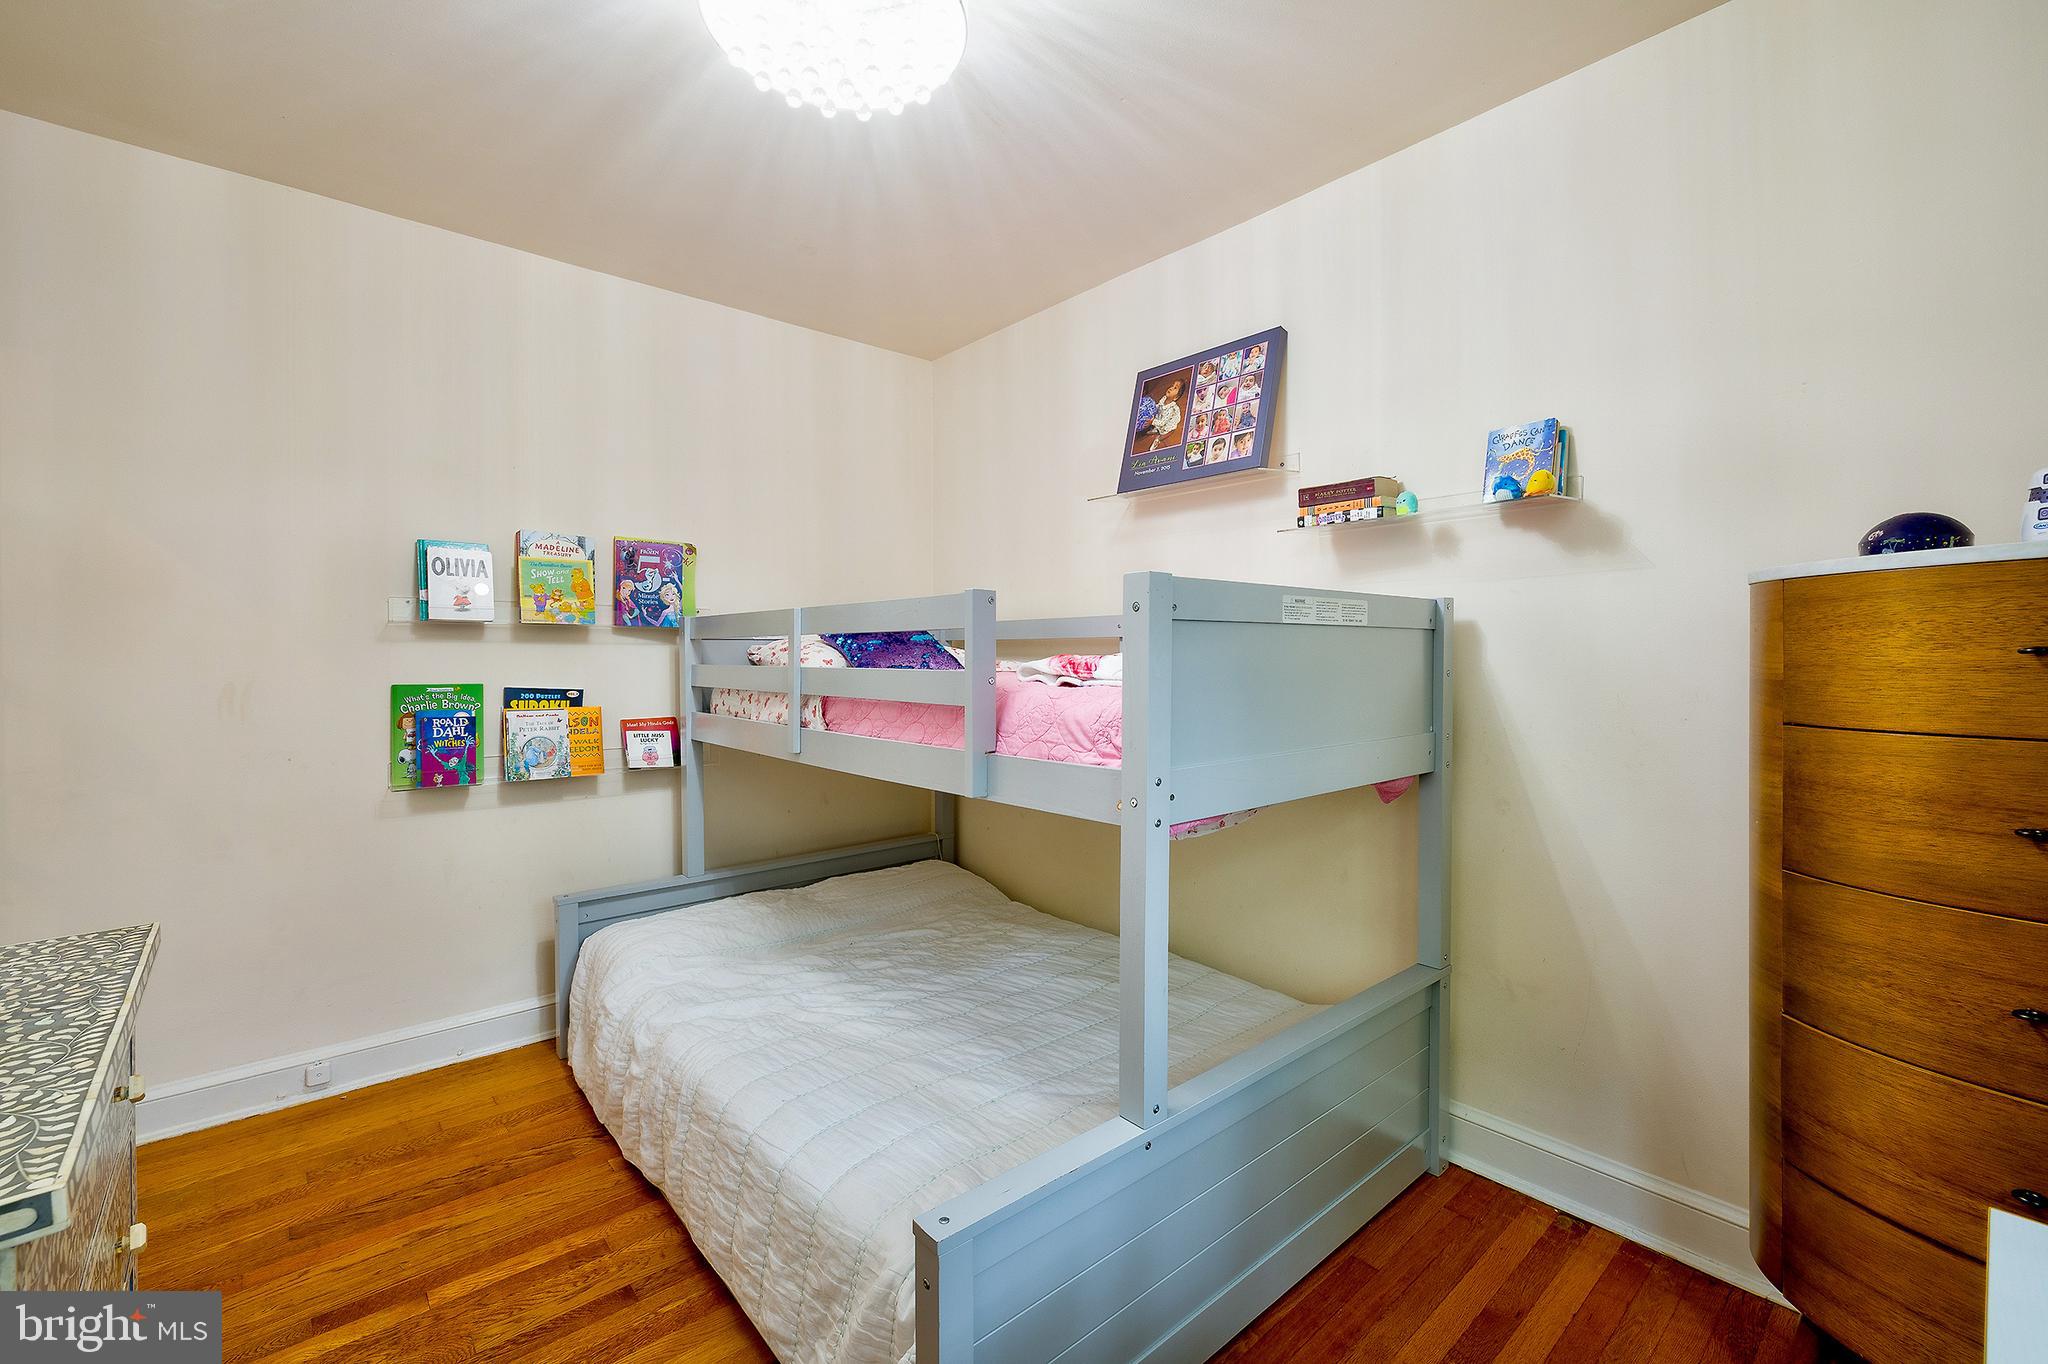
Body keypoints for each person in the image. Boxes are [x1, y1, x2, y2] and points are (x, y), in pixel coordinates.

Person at [1133, 378, 1184, 453]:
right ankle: (1156, 429)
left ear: (1176, 397)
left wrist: (1152, 421)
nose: (1171, 388)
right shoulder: (1164, 398)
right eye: (1172, 385)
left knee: (1166, 431)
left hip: (1168, 423)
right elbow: (1159, 406)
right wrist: (1151, 408)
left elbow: (1163, 423)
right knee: (1157, 423)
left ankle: (1158, 439)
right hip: (1161, 417)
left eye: (1175, 388)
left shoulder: (1171, 410)